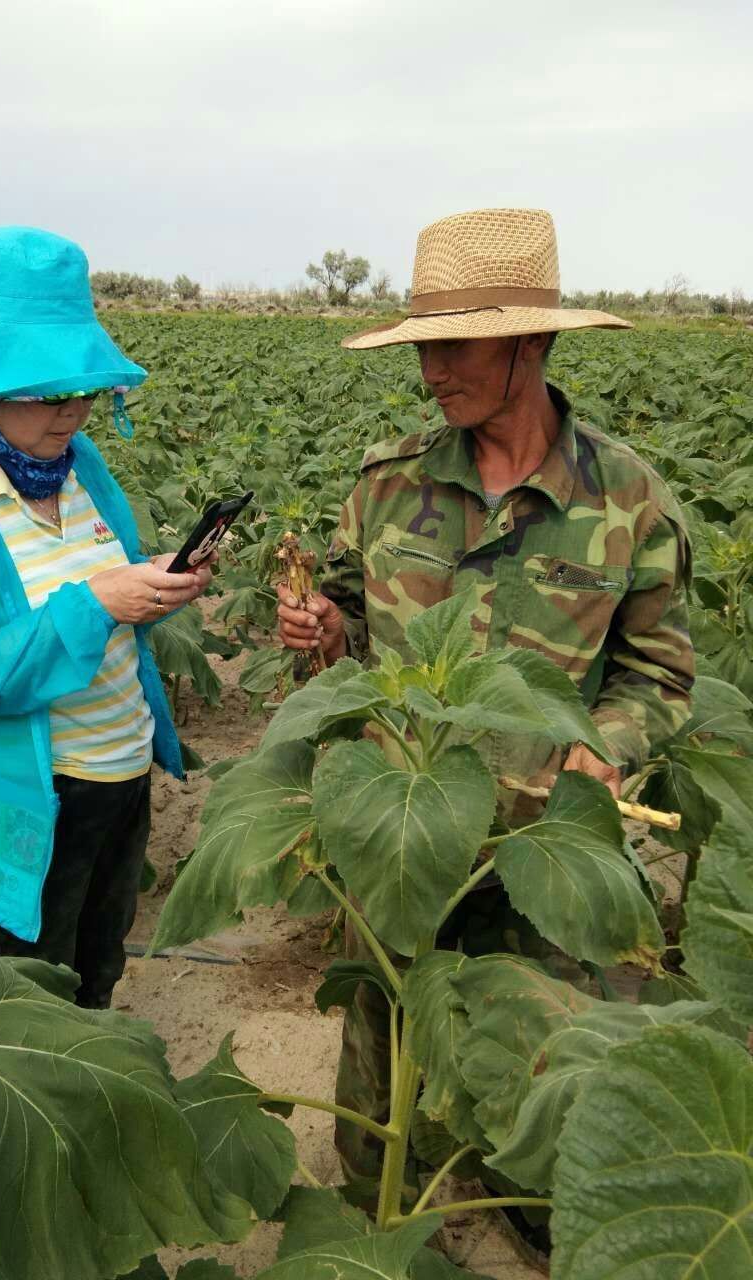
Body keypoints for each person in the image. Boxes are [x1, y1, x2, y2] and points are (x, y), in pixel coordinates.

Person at [276, 207, 694, 1193]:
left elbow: (660, 672)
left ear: (532, 341)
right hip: (402, 831)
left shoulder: (629, 501)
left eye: (456, 345)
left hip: (534, 843)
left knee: (532, 1072)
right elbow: (347, 628)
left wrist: (605, 746)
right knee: (383, 1060)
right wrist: (324, 637)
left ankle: (526, 1206)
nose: (432, 370)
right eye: (424, 347)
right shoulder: (387, 485)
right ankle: (377, 1195)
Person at [0, 225, 212, 1014]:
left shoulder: (80, 468)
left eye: (83, 389)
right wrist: (95, 605)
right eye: (46, 391)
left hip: (120, 780)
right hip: (25, 804)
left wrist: (153, 588)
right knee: (23, 1012)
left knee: (95, 978)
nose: (71, 413)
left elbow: (107, 607)